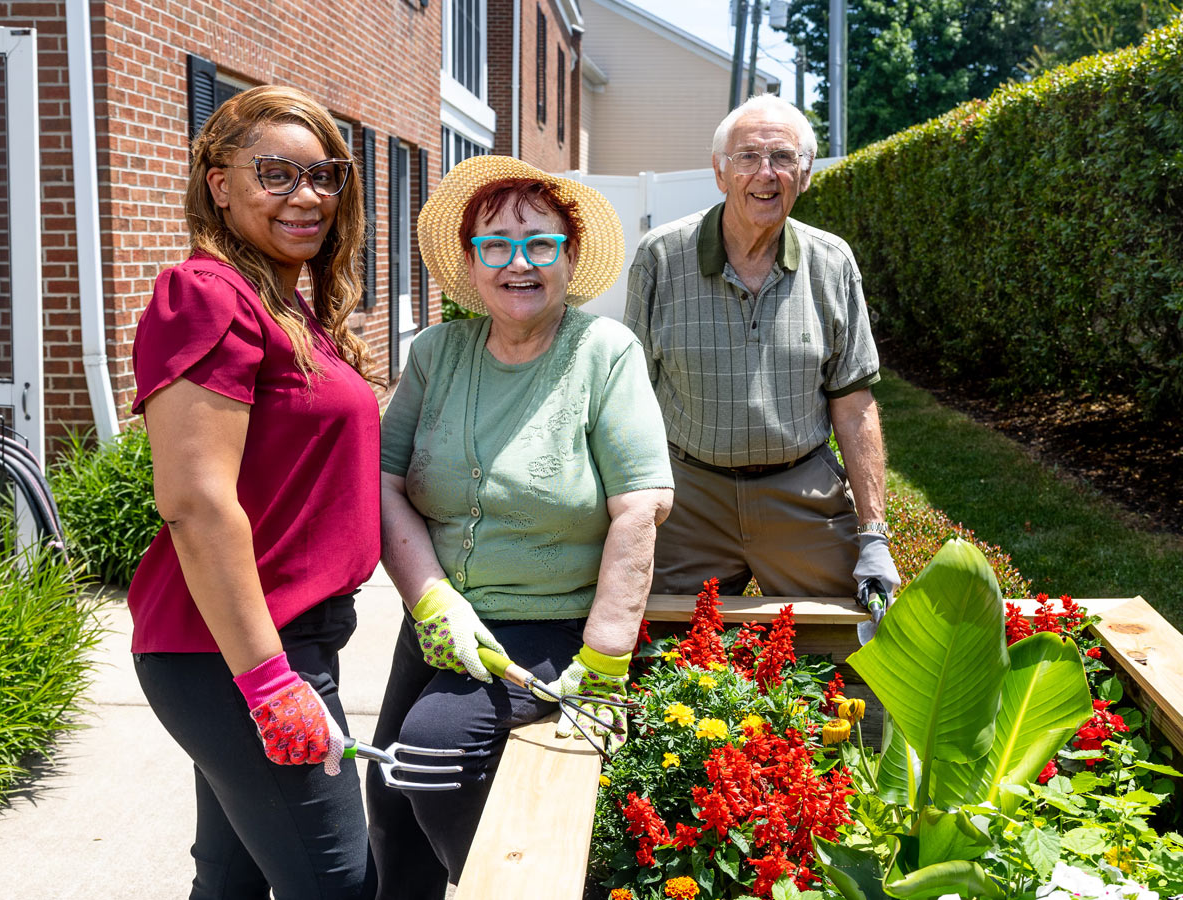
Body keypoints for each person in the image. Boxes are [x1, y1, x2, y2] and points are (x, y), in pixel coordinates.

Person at [365, 154, 674, 899]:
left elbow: (641, 504)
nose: (518, 263)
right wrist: (430, 597)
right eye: (495, 243)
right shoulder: (436, 353)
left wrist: (604, 662)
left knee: (431, 754)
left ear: (569, 257)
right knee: (390, 808)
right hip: (441, 620)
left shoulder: (603, 353)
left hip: (553, 623)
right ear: (471, 264)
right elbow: (382, 479)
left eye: (540, 244)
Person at [127, 85, 381, 899]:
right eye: (275, 173)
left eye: (325, 175)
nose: (307, 197)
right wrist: (270, 683)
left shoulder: (285, 303)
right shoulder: (207, 293)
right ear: (219, 183)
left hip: (273, 640)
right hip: (238, 653)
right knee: (338, 884)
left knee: (232, 879)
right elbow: (196, 501)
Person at [625, 93, 899, 608]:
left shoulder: (832, 262)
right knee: (652, 645)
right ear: (720, 171)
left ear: (807, 173)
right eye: (747, 157)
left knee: (855, 643)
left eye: (783, 158)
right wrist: (626, 510)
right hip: (688, 496)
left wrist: (874, 535)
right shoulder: (661, 257)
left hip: (799, 492)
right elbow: (627, 398)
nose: (765, 174)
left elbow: (854, 402)